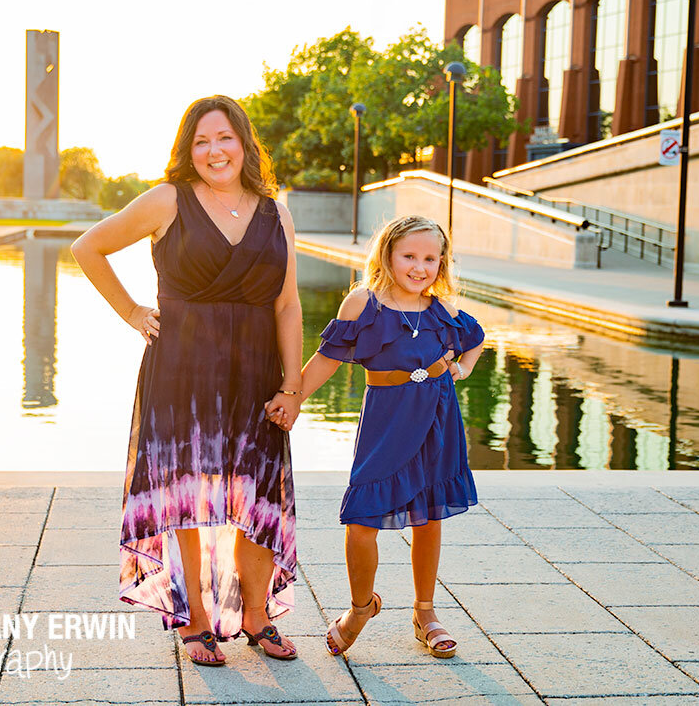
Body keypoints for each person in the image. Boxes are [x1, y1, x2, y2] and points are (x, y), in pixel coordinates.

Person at [71, 95, 303, 667]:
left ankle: (257, 616)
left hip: (254, 369)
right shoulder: (166, 200)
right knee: (184, 494)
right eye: (201, 141)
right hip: (181, 367)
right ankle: (195, 619)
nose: (214, 151)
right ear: (187, 150)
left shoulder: (276, 210)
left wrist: (293, 387)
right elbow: (88, 247)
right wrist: (130, 311)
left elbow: (289, 304)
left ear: (245, 143)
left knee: (256, 495)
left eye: (223, 138)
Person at [267, 215, 485, 658]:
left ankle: (426, 613)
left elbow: (476, 337)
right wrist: (293, 397)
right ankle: (360, 608)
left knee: (429, 517)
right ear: (387, 254)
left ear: (442, 263)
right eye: (409, 256)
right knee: (362, 521)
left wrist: (461, 368)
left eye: (430, 258)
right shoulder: (364, 304)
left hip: (437, 420)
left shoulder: (442, 308)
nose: (419, 267)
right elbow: (327, 358)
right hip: (387, 423)